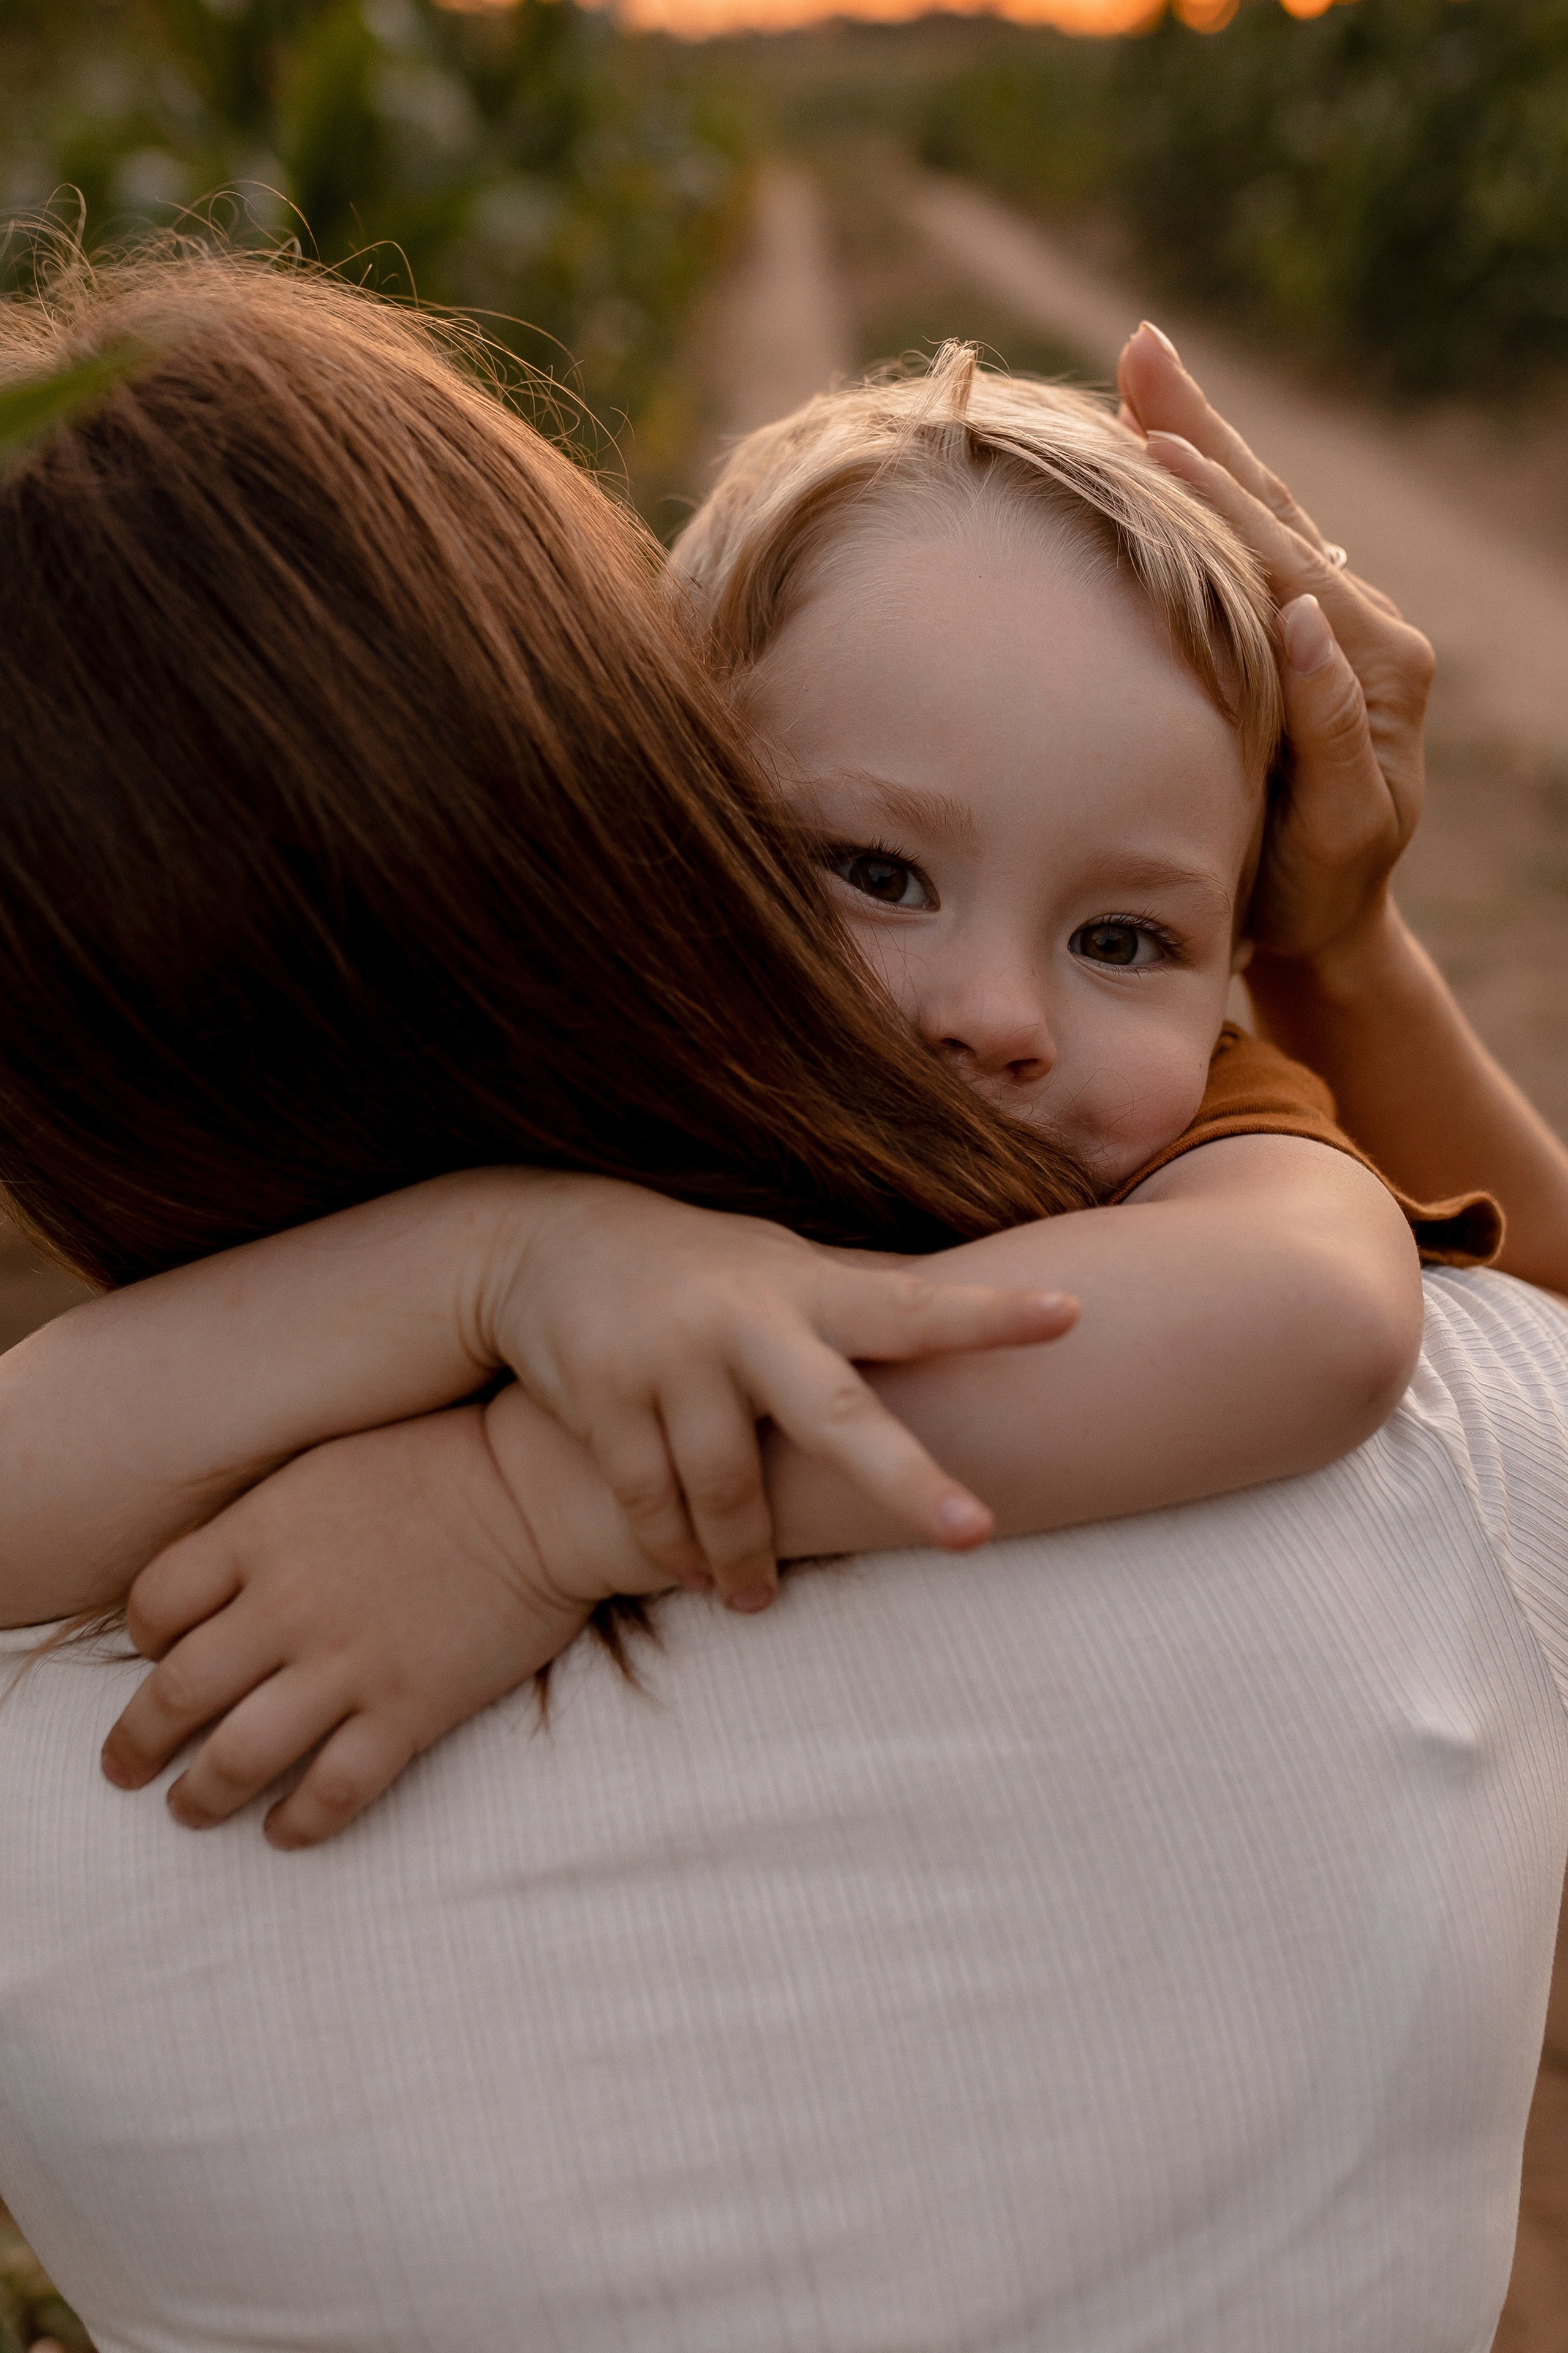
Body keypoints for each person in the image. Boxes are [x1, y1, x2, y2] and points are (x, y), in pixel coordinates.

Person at [1, 251, 1567, 2348]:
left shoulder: (1201, 1156)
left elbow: (1319, 1317)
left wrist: (539, 1498)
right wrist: (500, 1256)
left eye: (1129, 935)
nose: (995, 1016)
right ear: (671, 809)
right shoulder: (1445, 1488)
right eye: (875, 873)